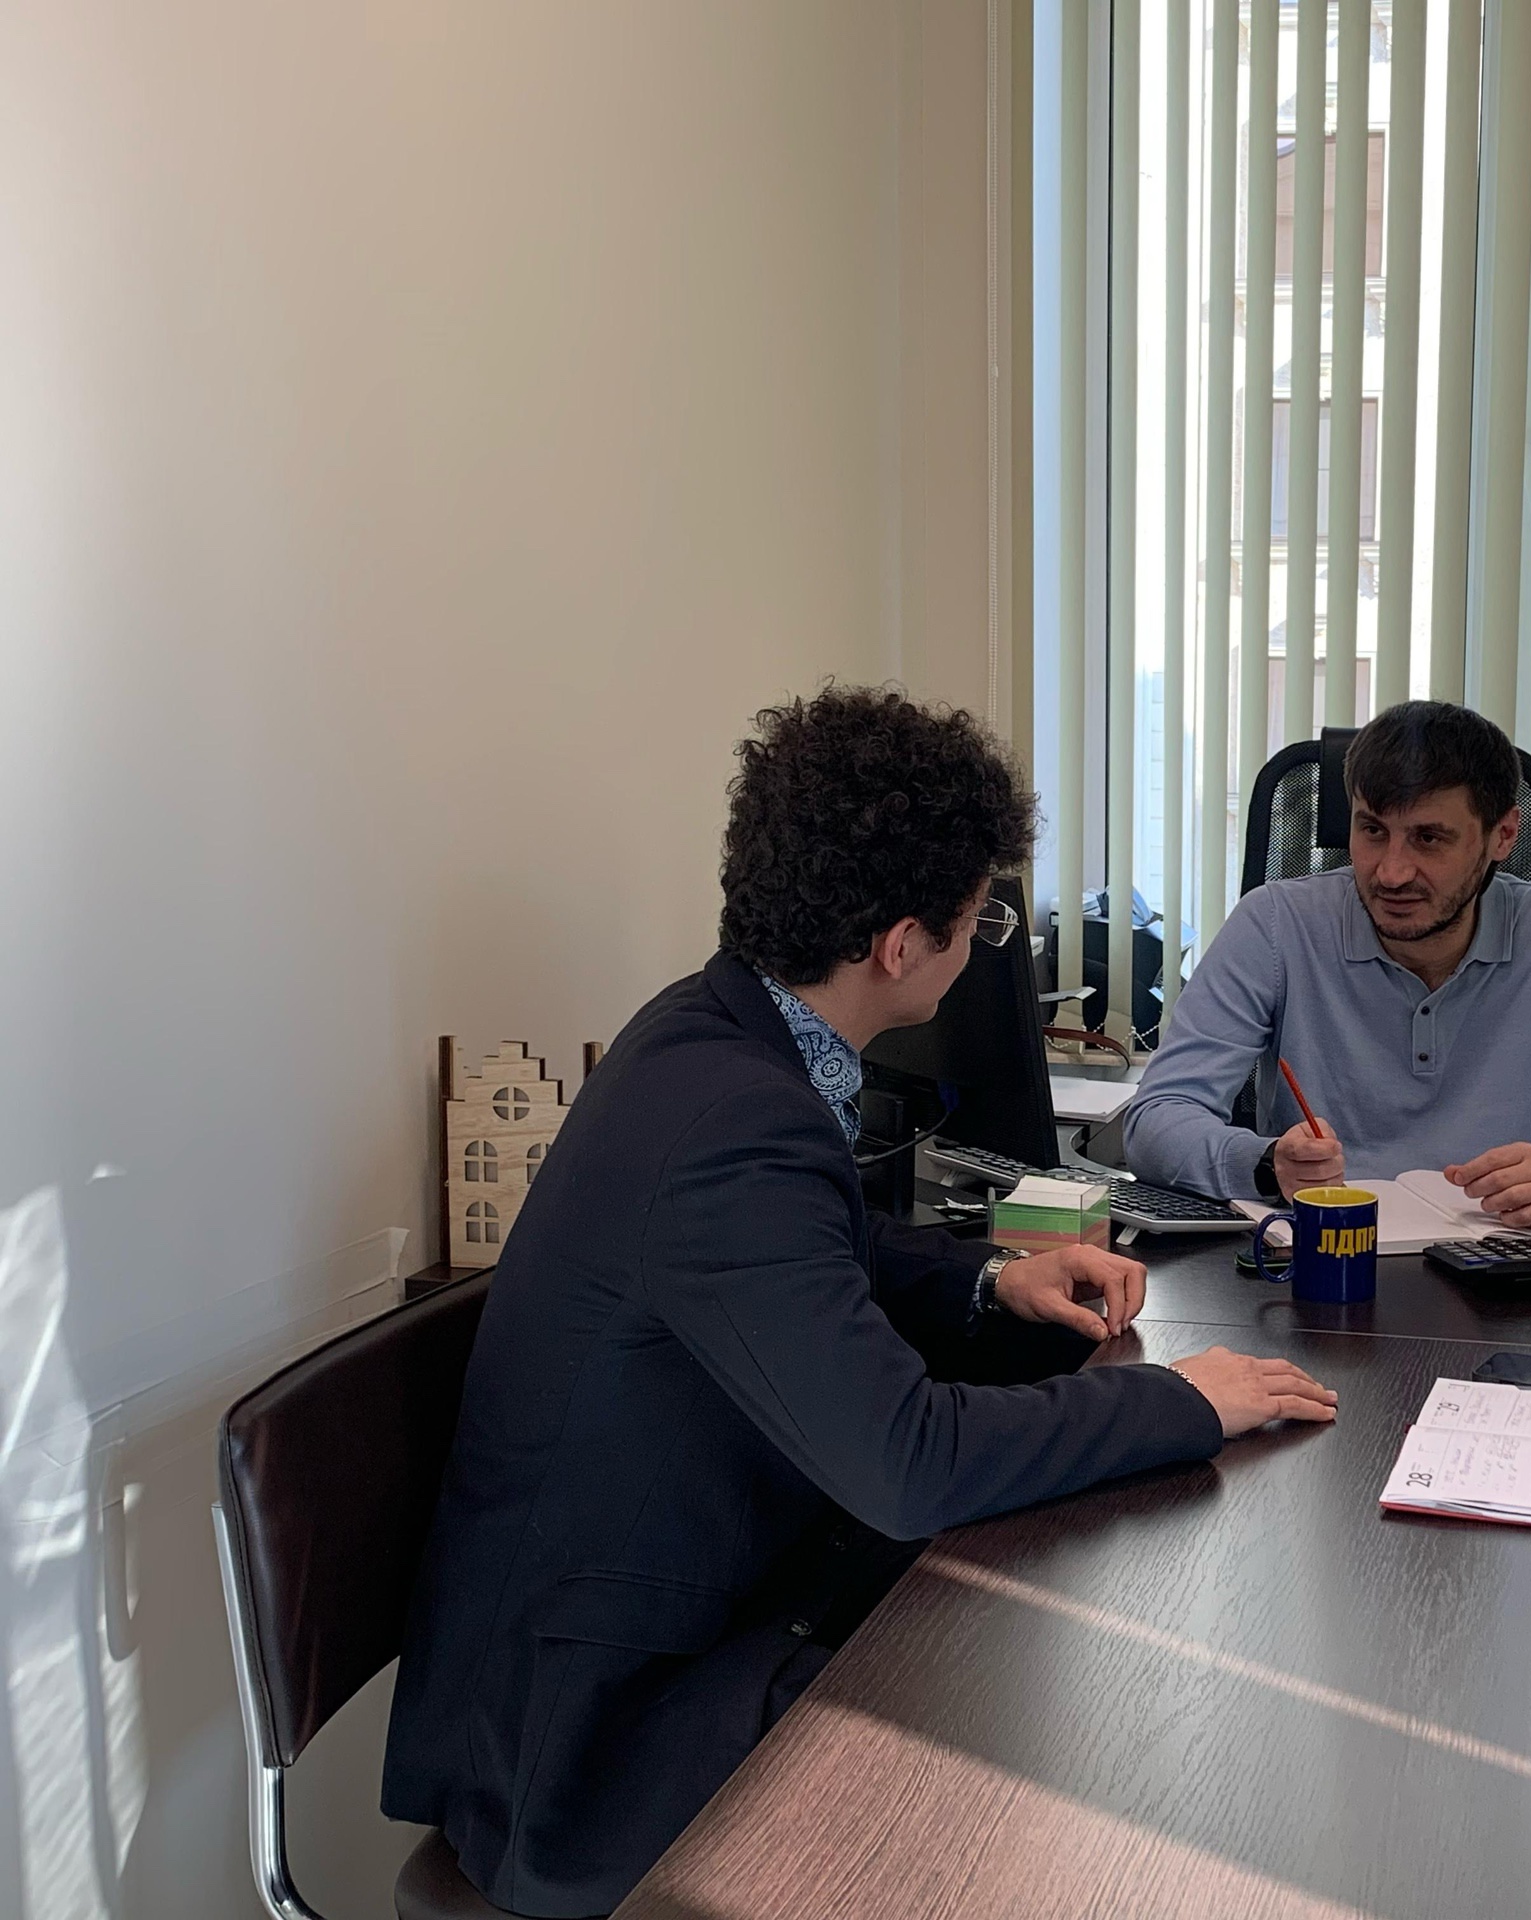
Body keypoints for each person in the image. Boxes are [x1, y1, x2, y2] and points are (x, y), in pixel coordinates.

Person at [384, 687, 1335, 1917]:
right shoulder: (735, 1117)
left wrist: (994, 1277)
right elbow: (908, 1461)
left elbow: (815, 1248)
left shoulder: (707, 1030)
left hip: (679, 1620)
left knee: (1037, 1688)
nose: (982, 943)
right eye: (980, 920)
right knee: (1084, 1795)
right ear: (899, 946)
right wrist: (1182, 1404)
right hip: (591, 1748)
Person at [1125, 701, 1531, 1226]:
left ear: (1502, 836)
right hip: (1322, 1259)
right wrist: (1263, 1164)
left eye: (1428, 838)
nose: (1391, 872)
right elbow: (1156, 1119)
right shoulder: (1275, 925)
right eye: (1372, 830)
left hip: (1504, 1273)